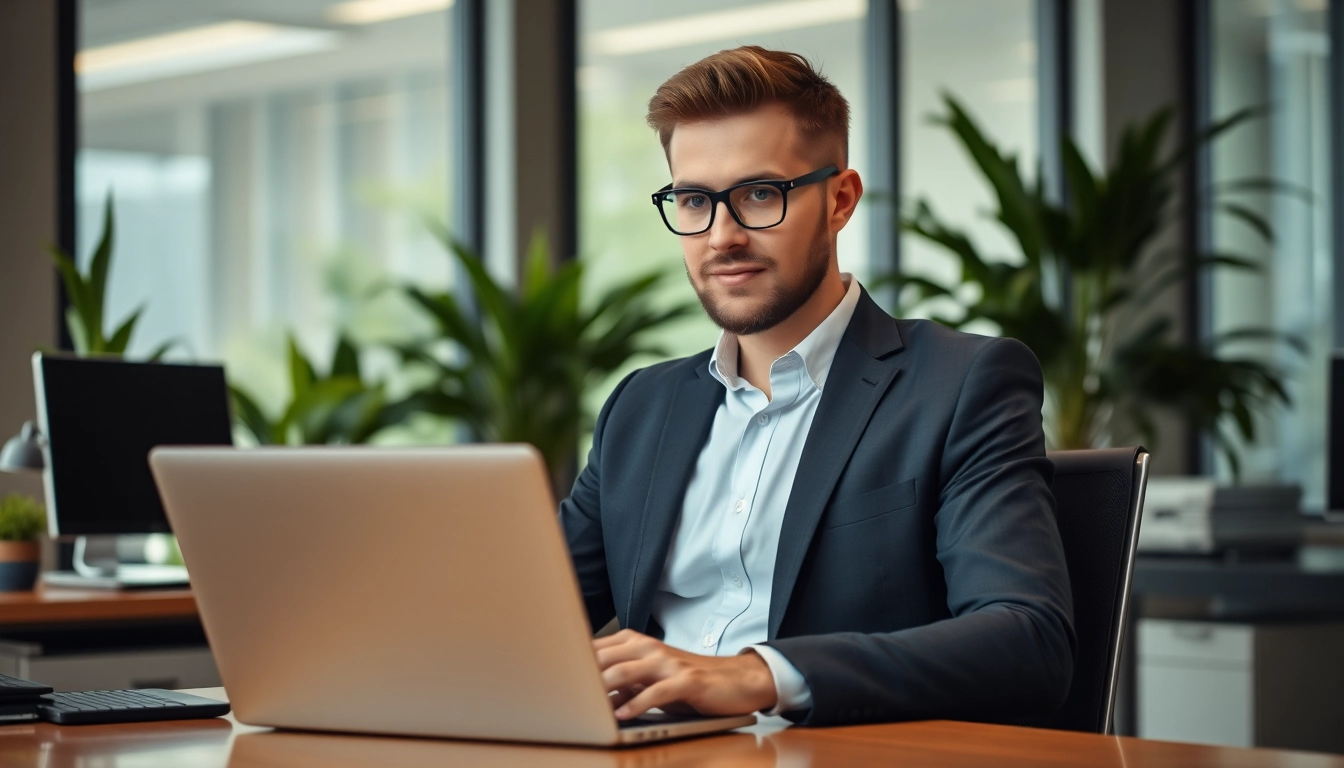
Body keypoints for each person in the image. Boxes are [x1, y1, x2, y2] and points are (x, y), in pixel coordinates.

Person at [559, 45, 1074, 727]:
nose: (722, 236)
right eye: (693, 200)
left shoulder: (960, 386)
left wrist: (757, 675)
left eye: (760, 195)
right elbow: (528, 615)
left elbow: (1028, 640)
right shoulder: (641, 407)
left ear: (839, 200)